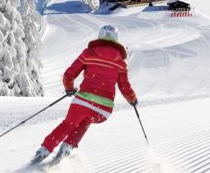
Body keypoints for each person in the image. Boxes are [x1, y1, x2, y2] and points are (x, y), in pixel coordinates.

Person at [31, 25, 138, 164]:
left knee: (69, 123)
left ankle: (45, 149)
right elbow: (124, 86)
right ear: (116, 40)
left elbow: (69, 74)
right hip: (103, 109)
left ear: (100, 37)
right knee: (87, 119)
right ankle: (67, 146)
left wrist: (69, 88)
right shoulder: (120, 63)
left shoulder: (88, 54)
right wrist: (132, 99)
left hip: (83, 101)